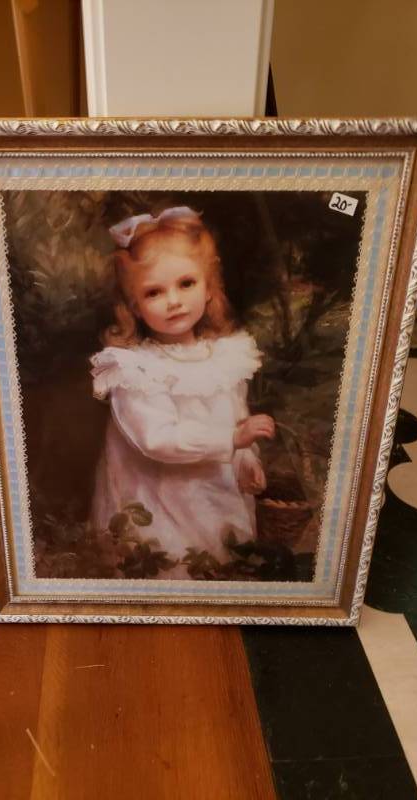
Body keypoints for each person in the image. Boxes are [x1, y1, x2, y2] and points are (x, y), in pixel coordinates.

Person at [90, 206, 275, 578]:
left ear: (209, 288)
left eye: (186, 284)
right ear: (135, 307)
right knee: (172, 560)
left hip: (214, 488)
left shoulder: (225, 354)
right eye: (154, 292)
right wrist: (232, 438)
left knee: (222, 550)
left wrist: (246, 457)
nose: (174, 300)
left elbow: (235, 414)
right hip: (160, 493)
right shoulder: (137, 370)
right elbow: (156, 440)